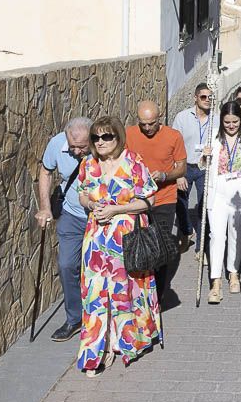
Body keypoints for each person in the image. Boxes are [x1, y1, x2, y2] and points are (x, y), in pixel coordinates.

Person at [75, 116, 160, 375]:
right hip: (96, 240)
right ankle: (95, 351)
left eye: (106, 137)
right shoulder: (88, 164)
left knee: (124, 291)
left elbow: (149, 201)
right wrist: (91, 205)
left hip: (125, 238)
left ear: (118, 137)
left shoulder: (133, 162)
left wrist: (116, 210)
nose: (100, 142)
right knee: (95, 294)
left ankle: (120, 343)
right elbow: (82, 193)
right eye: (96, 138)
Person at [125, 100, 187, 301]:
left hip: (164, 199)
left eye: (151, 123)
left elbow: (182, 168)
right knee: (136, 246)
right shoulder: (129, 134)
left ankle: (157, 297)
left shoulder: (173, 136)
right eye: (143, 124)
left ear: (159, 119)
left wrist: (165, 175)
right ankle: (137, 292)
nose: (147, 128)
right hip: (137, 200)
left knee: (159, 248)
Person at [36, 117, 92, 341]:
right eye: (73, 146)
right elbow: (45, 172)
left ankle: (102, 318)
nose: (77, 151)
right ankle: (74, 318)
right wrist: (45, 208)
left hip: (99, 218)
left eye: (82, 147)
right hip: (72, 214)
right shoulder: (57, 144)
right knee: (67, 265)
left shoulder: (103, 144)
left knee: (96, 268)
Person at [203, 102, 241, 304]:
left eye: (234, 122)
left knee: (237, 234)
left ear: (240, 120)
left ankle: (233, 272)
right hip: (218, 192)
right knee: (216, 236)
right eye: (227, 122)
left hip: (240, 191)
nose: (231, 126)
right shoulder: (214, 137)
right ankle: (215, 281)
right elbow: (204, 165)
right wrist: (205, 156)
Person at [172, 83, 215, 253]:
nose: (207, 100)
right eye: (203, 97)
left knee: (204, 205)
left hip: (206, 167)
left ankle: (201, 246)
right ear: (196, 98)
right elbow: (174, 146)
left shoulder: (216, 118)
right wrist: (178, 173)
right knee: (180, 203)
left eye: (210, 97)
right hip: (186, 166)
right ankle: (186, 232)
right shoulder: (182, 118)